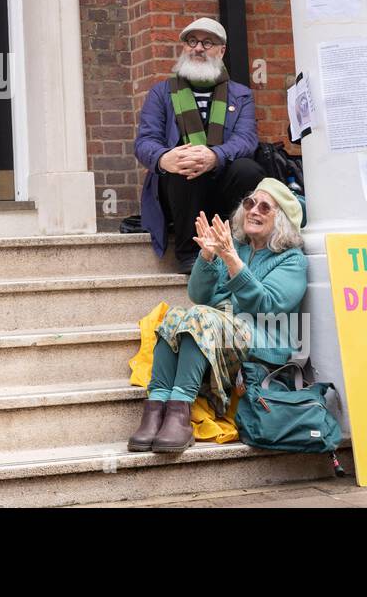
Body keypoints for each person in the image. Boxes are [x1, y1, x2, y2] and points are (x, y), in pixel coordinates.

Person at [127, 178, 306, 453]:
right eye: (249, 203)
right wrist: (208, 257)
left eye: (264, 207)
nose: (253, 210)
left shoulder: (291, 260)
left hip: (262, 343)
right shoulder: (237, 246)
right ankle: (157, 406)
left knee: (200, 317)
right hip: (219, 331)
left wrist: (233, 261)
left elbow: (266, 305)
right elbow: (200, 296)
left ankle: (181, 411)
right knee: (174, 316)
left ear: (281, 220)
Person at [134, 17, 263, 271]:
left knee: (248, 169)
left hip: (222, 181)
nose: (198, 48)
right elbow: (145, 141)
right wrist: (163, 159)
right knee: (184, 163)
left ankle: (236, 244)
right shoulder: (161, 93)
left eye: (207, 42)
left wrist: (215, 157)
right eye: (191, 41)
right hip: (180, 192)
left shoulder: (241, 94)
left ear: (221, 50)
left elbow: (247, 139)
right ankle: (189, 255)